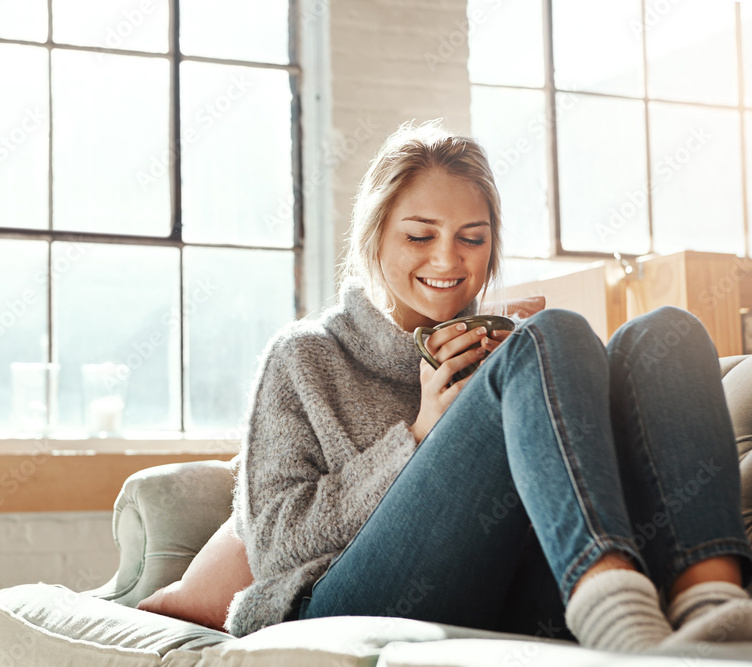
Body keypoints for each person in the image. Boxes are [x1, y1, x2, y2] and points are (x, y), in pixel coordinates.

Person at [224, 119, 752, 652]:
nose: (448, 260)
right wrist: (416, 436)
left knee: (668, 331)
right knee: (556, 334)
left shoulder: (509, 353)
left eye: (471, 238)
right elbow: (273, 546)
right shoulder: (305, 354)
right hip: (342, 597)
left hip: (513, 591)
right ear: (376, 233)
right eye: (419, 235)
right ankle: (620, 621)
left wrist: (527, 387)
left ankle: (711, 609)